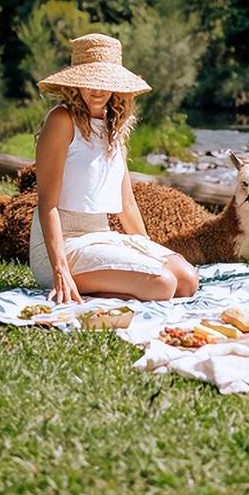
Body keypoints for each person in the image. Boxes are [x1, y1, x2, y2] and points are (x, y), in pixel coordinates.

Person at [29, 32, 199, 305]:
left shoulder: (114, 126)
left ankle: (127, 287)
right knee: (163, 284)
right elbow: (47, 204)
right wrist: (59, 270)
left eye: (104, 82)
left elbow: (127, 205)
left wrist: (147, 251)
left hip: (102, 237)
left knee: (187, 280)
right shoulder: (62, 120)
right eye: (90, 82)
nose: (97, 90)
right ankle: (88, 291)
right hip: (63, 245)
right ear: (76, 83)